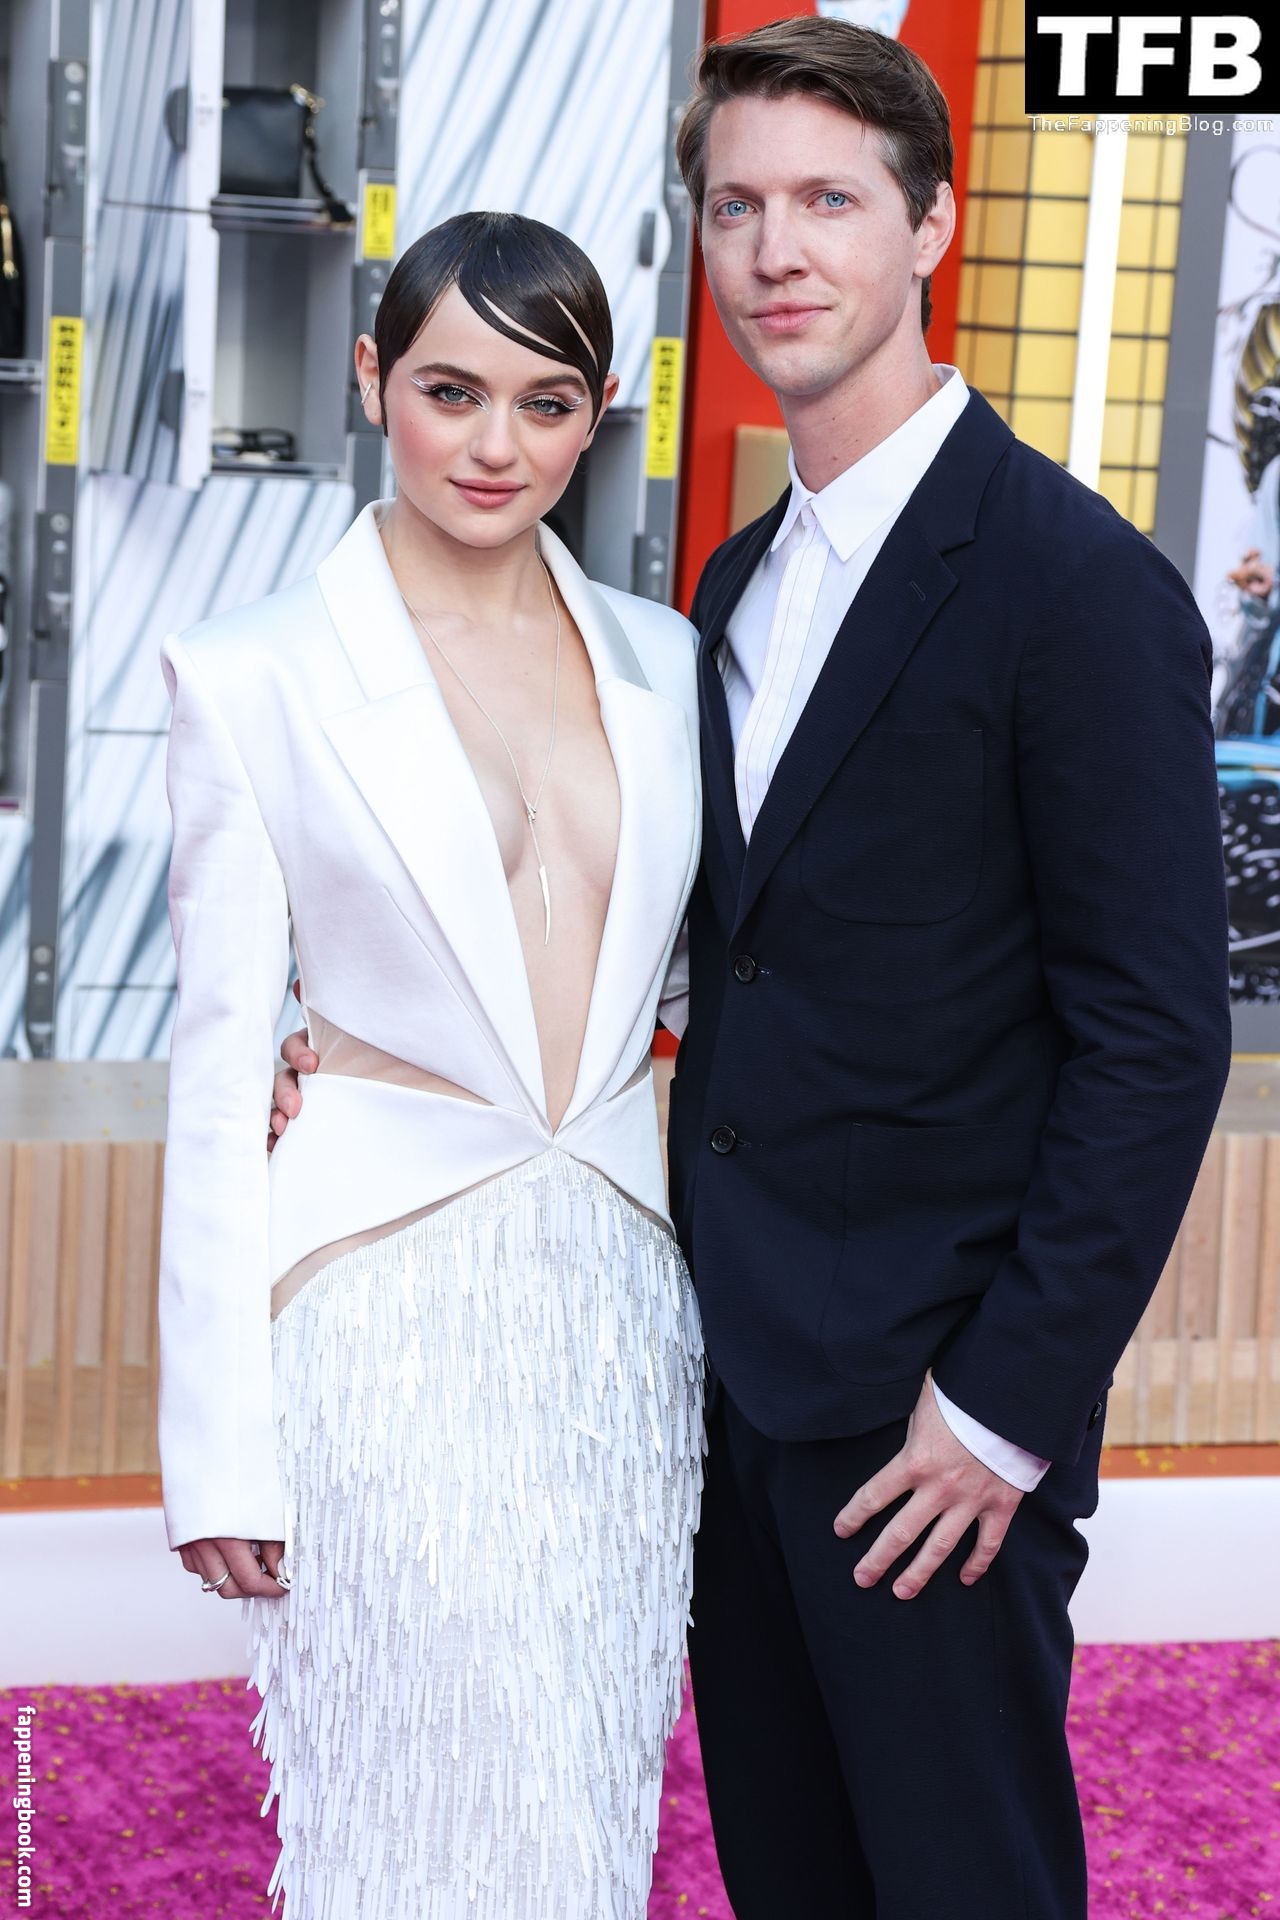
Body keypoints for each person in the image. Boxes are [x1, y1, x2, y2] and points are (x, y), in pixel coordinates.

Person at [271, 20, 1232, 1918]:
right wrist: (360, 1052)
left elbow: (1155, 1042)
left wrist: (1004, 1411)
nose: (778, 250)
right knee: (791, 1879)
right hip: (721, 1374)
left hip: (932, 1424)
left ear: (930, 226)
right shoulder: (727, 587)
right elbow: (716, 962)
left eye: (828, 202)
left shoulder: (1076, 586)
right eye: (736, 208)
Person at [155, 209, 705, 1918]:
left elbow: (707, 976)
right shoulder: (251, 672)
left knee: (581, 1798)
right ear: (371, 376)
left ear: (598, 413)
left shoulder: (672, 662)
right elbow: (214, 1071)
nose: (494, 446)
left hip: (621, 1317)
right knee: (420, 1791)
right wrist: (215, 1449)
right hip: (378, 1315)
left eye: (546, 403)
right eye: (451, 391)